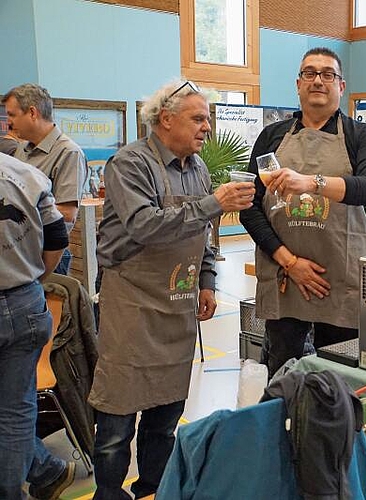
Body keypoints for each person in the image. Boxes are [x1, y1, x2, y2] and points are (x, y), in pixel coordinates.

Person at [87, 81, 255, 499]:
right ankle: (109, 492)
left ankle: (153, 487)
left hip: (177, 301)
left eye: (208, 119)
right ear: (166, 119)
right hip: (131, 301)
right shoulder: (130, 164)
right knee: (117, 414)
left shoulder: (197, 168)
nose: (207, 129)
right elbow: (144, 224)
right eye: (199, 119)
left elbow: (204, 235)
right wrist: (214, 203)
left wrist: (207, 280)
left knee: (166, 413)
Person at [239, 47, 366, 377]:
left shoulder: (360, 136)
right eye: (310, 73)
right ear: (298, 83)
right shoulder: (272, 136)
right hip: (284, 277)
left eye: (327, 74)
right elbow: (250, 207)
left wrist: (311, 183)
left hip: (340, 278)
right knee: (280, 375)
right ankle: (283, 429)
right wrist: (289, 262)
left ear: (341, 86)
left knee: (340, 378)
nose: (318, 80)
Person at [0, 153, 68, 500]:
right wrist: (34, 277)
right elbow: (57, 238)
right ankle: (43, 468)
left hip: (22, 298)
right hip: (24, 300)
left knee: (11, 410)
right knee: (13, 409)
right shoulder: (26, 174)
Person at [2, 84, 87, 276]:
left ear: (32, 112)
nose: (9, 122)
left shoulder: (68, 153)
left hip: (48, 254)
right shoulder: (21, 150)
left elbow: (67, 214)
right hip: (19, 254)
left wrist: (19, 211)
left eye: (12, 115)